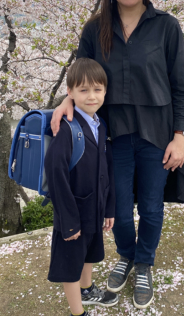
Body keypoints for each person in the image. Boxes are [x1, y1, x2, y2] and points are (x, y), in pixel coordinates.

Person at [51, 0, 184, 310]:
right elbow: (81, 75)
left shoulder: (166, 27)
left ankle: (144, 261)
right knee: (112, 207)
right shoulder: (95, 29)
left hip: (156, 135)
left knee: (149, 206)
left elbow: (180, 87)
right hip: (109, 138)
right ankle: (127, 255)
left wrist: (180, 137)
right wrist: (68, 99)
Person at [45, 58, 118, 316]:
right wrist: (69, 221)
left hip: (94, 207)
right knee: (71, 264)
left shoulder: (100, 124)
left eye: (97, 90)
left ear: (105, 92)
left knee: (89, 253)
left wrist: (109, 209)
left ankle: (87, 291)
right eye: (83, 90)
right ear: (70, 92)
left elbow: (107, 169)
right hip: (73, 213)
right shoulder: (66, 128)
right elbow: (55, 172)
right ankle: (78, 312)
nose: (91, 96)